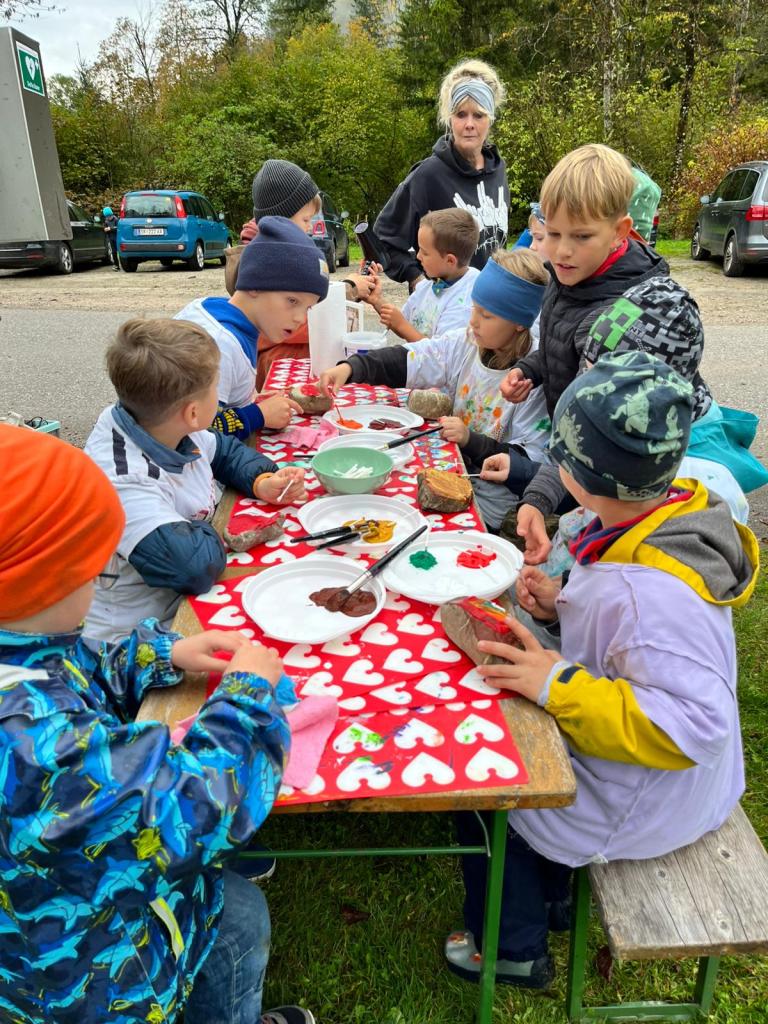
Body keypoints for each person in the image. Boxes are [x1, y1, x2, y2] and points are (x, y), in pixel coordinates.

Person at [446, 351, 759, 989]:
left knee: (485, 786)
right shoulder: (655, 516)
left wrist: (554, 683)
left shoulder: (654, 595)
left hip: (649, 797)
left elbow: (692, 727)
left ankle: (511, 949)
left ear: (583, 474)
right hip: (648, 768)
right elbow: (626, 639)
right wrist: (560, 608)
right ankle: (555, 899)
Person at [0, 424, 314, 1024]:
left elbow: (71, 668)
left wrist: (161, 654)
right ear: (38, 581)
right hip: (91, 974)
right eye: (93, 568)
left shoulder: (20, 647)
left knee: (238, 917)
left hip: (72, 899)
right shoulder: (31, 745)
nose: (103, 574)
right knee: (238, 920)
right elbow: (196, 810)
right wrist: (247, 697)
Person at [496, 142, 714, 521]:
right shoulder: (569, 274)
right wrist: (530, 369)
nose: (561, 251)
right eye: (553, 233)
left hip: (614, 474)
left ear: (619, 232)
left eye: (581, 236)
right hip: (576, 454)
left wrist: (541, 493)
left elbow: (598, 430)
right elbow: (561, 344)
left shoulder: (625, 324)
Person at [83, 317, 305, 647]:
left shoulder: (162, 421)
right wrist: (213, 525)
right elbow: (194, 567)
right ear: (192, 412)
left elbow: (224, 451)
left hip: (176, 597)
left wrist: (262, 480)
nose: (219, 394)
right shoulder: (124, 480)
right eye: (216, 387)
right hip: (136, 638)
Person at [319, 249, 550, 527]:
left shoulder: (532, 379)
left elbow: (527, 460)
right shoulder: (467, 342)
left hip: (491, 504)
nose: (473, 321)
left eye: (486, 315)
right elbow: (412, 359)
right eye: (474, 308)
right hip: (452, 471)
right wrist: (352, 368)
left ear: (519, 324)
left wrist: (470, 440)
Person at [175, 216, 329, 438]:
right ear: (255, 285)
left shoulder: (218, 312)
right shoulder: (220, 345)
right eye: (292, 301)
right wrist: (258, 415)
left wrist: (255, 400)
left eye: (308, 308)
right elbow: (196, 433)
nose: (300, 319)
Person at [231, 159, 376, 386]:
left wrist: (349, 287)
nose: (309, 227)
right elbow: (302, 324)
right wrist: (348, 290)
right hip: (276, 368)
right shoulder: (264, 262)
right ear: (280, 219)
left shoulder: (270, 255)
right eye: (305, 219)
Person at [374, 59, 510, 290]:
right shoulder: (428, 175)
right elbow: (383, 238)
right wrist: (418, 280)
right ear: (449, 119)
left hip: (490, 304)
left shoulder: (498, 171)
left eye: (478, 115)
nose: (469, 124)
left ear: (490, 119)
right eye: (461, 114)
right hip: (443, 308)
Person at [373, 208, 480, 341]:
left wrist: (401, 324)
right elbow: (403, 322)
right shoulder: (429, 284)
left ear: (450, 261)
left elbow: (439, 352)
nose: (418, 256)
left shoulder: (464, 304)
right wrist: (376, 299)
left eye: (425, 252)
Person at [102, 205, 119, 269]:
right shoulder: (106, 220)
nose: (108, 218)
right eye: (107, 216)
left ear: (111, 214)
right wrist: (105, 229)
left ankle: (123, 263)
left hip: (116, 237)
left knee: (119, 251)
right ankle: (116, 265)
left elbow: (118, 227)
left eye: (109, 216)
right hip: (111, 238)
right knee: (114, 252)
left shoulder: (116, 219)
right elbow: (105, 227)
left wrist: (110, 228)